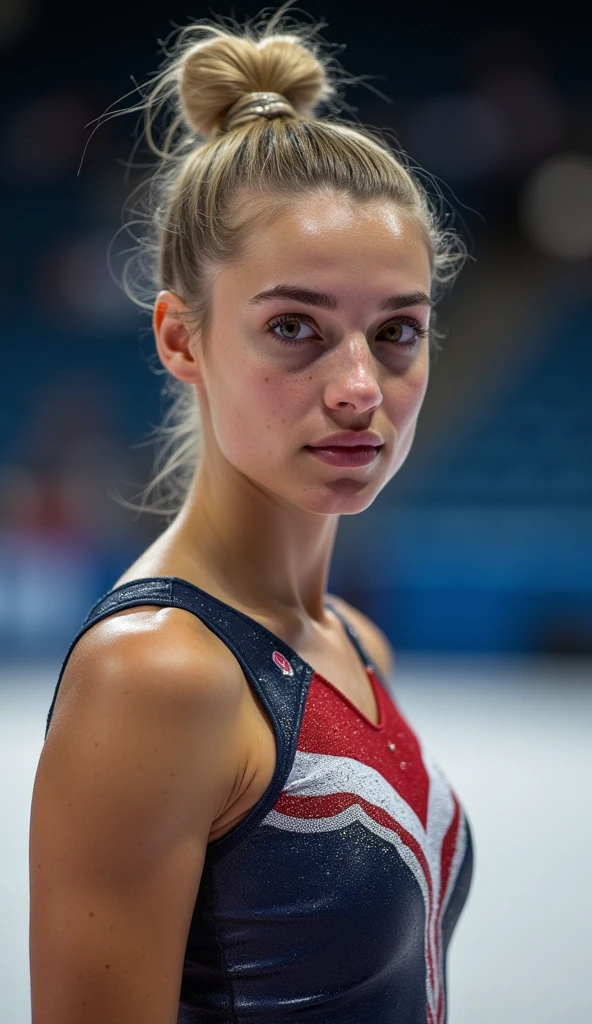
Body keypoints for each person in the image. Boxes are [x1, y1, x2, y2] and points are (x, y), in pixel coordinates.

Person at [29, 7, 473, 1023]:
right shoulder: (156, 674)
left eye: (398, 330)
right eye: (293, 328)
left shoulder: (355, 643)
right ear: (182, 340)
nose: (360, 385)